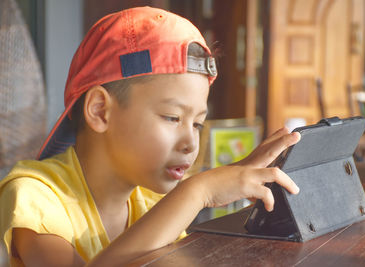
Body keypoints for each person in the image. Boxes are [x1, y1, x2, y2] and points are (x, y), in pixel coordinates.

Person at [0, 6, 300, 267]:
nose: (190, 143)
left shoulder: (148, 199)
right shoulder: (33, 196)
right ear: (100, 111)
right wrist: (198, 192)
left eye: (197, 124)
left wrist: (239, 185)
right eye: (172, 118)